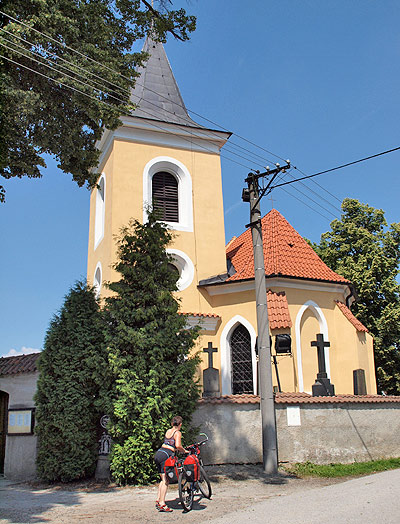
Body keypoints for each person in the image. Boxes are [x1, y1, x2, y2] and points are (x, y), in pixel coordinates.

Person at [154, 415, 187, 512]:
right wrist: (184, 451)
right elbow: (177, 445)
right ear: (180, 424)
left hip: (159, 453)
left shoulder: (168, 431)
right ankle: (162, 504)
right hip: (166, 455)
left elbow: (169, 443)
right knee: (166, 481)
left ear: (172, 423)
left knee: (162, 479)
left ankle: (158, 499)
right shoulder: (178, 433)